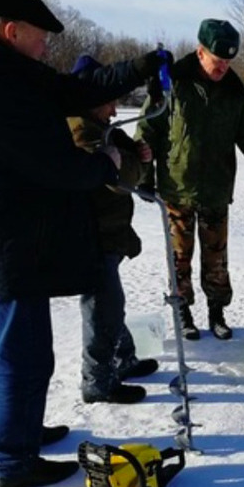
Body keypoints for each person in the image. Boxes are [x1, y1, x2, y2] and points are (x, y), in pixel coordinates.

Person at [0, 0, 169, 487]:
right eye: (41, 37)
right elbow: (51, 165)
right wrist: (104, 164)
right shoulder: (6, 89)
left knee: (19, 351)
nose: (48, 47)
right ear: (11, 31)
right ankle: (12, 459)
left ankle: (18, 431)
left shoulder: (20, 77)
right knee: (23, 354)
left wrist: (141, 64)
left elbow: (78, 90)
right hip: (10, 245)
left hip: (20, 241)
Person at [136, 18, 244, 341]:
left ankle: (217, 312)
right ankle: (183, 312)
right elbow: (148, 130)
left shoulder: (235, 92)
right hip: (176, 188)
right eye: (218, 62)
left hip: (217, 189)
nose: (222, 69)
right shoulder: (173, 83)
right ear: (200, 52)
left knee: (216, 258)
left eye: (228, 63)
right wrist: (144, 175)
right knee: (180, 258)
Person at [68, 55, 161, 404]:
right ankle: (97, 381)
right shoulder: (80, 130)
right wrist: (136, 162)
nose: (113, 110)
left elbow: (128, 161)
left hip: (108, 232)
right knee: (102, 307)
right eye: (108, 102)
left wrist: (136, 153)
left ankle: (123, 359)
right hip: (91, 235)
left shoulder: (101, 129)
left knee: (110, 303)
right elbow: (117, 179)